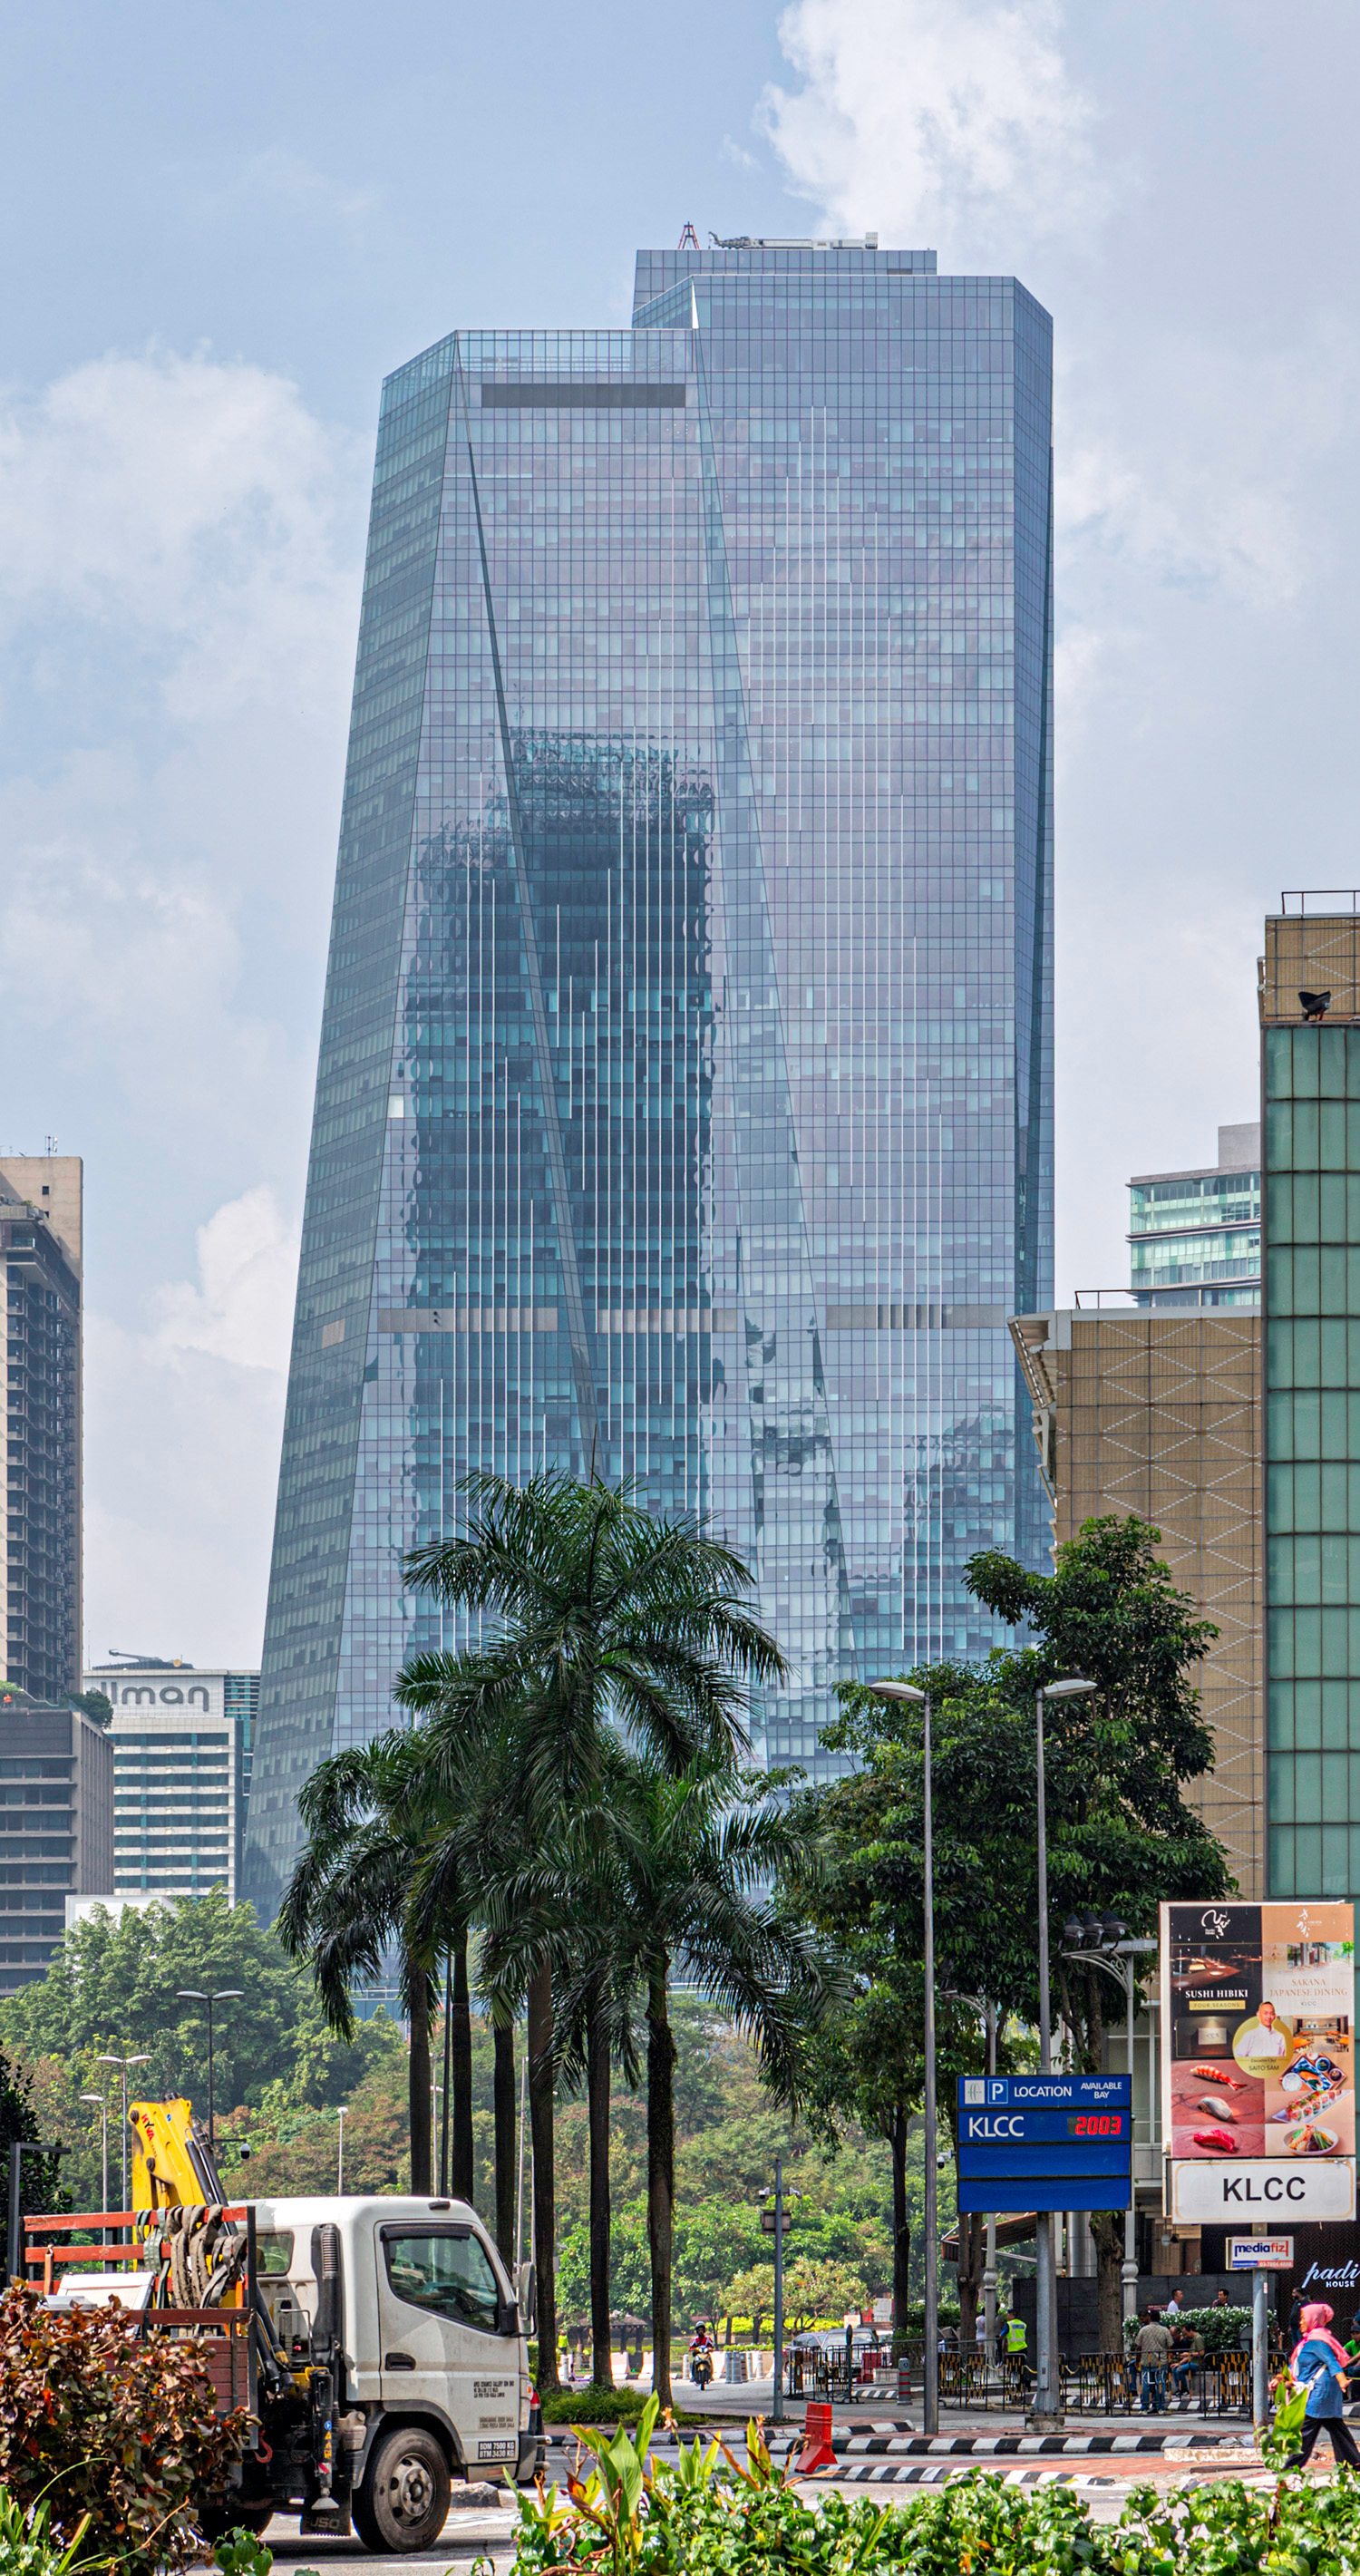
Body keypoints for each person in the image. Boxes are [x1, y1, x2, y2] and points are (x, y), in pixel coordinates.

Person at [1282, 2302, 1360, 2472]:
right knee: (1337, 2428)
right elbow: (1297, 2365)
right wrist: (1281, 2377)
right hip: (1322, 2392)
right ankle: (1353, 2463)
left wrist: (1341, 2379)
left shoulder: (1318, 2341)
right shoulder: (1308, 2341)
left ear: (1313, 2319)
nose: (1300, 2322)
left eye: (1303, 2318)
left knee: (1307, 2431)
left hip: (1320, 2393)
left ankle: (1290, 2467)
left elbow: (1332, 2363)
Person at [1136, 2307, 1172, 2414]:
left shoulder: (1143, 2330)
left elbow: (1139, 2346)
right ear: (1159, 2318)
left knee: (1146, 2384)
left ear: (1150, 2318)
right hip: (1161, 2362)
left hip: (1146, 2361)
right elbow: (1170, 2345)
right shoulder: (1165, 2330)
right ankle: (1160, 2407)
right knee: (1160, 2383)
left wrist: (1138, 2360)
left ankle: (1144, 2407)